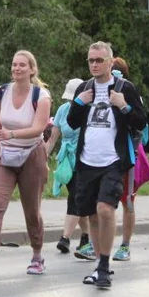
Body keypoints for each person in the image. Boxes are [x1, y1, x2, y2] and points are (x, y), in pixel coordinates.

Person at [67, 42, 148, 288]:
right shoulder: (84, 88)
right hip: (86, 160)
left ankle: (104, 266)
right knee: (91, 213)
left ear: (110, 63)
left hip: (113, 160)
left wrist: (123, 105)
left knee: (105, 209)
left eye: (99, 60)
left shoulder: (125, 88)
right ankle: (97, 263)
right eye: (91, 60)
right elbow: (71, 123)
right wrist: (79, 103)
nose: (94, 65)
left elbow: (141, 121)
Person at [0, 51, 52, 278]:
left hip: (31, 156)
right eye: (14, 64)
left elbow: (38, 127)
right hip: (3, 155)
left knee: (32, 211)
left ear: (32, 70)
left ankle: (37, 255)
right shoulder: (2, 92)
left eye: (22, 65)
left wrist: (12, 133)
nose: (17, 69)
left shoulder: (41, 96)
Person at [111, 57, 148, 262]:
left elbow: (141, 122)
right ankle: (95, 242)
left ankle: (125, 245)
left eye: (117, 72)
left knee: (127, 200)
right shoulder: (96, 88)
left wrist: (123, 105)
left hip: (128, 155)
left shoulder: (130, 91)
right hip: (102, 156)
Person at [48, 78, 91, 257]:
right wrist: (43, 156)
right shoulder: (63, 110)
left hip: (83, 159)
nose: (71, 102)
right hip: (66, 161)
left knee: (75, 198)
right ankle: (86, 236)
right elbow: (52, 138)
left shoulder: (89, 111)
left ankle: (65, 237)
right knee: (78, 200)